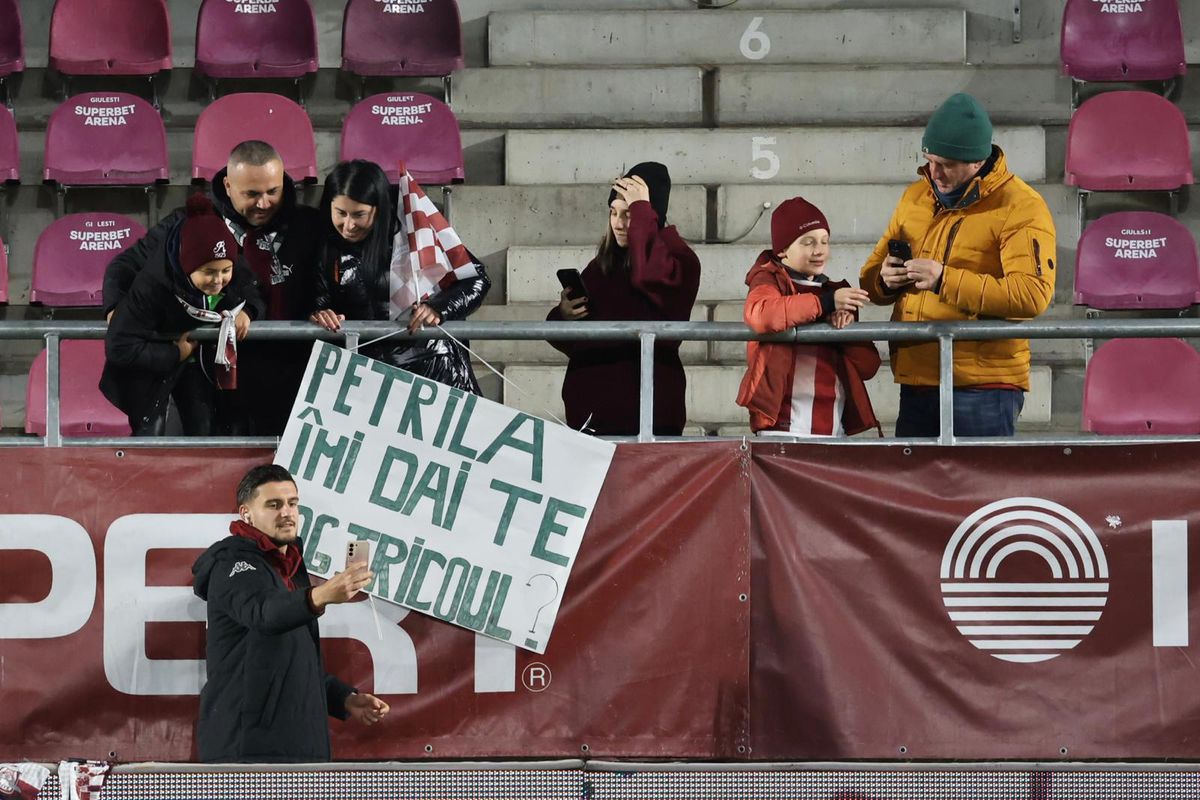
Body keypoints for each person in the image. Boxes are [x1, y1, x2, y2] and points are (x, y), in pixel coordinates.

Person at [859, 92, 1055, 437]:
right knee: (912, 488)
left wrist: (943, 280)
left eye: (946, 164)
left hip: (983, 385)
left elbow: (1031, 294)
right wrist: (884, 281)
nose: (933, 173)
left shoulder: (1021, 206)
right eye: (929, 159)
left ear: (977, 162)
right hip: (918, 377)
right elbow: (871, 275)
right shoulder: (914, 197)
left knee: (981, 488)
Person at [104, 140, 324, 436]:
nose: (263, 203)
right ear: (228, 185)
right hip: (211, 382)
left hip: (290, 377)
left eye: (273, 191)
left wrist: (326, 307)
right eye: (251, 193)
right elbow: (123, 266)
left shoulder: (307, 226)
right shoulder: (188, 225)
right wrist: (117, 310)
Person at [192, 464, 390, 763]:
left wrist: (344, 699)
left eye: (292, 503)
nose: (287, 512)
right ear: (246, 513)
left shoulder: (290, 564)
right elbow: (264, 613)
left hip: (300, 748)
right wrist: (321, 595)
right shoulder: (232, 564)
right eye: (274, 505)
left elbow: (293, 660)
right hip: (246, 749)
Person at [308, 160, 491, 393]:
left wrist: (438, 307)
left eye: (359, 214)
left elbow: (475, 278)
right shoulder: (325, 247)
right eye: (340, 213)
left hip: (435, 371)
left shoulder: (414, 234)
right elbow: (319, 297)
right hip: (368, 379)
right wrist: (321, 314)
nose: (348, 225)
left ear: (380, 208)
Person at [547, 162, 701, 436]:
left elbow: (649, 276)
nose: (618, 224)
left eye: (630, 213)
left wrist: (643, 208)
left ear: (651, 215)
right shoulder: (603, 263)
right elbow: (572, 339)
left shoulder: (680, 259)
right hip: (591, 421)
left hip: (649, 419)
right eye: (613, 212)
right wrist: (564, 315)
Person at [100, 195, 263, 436]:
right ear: (187, 266)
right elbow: (120, 348)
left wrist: (248, 311)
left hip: (201, 369)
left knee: (204, 433)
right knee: (149, 439)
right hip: (152, 372)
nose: (218, 280)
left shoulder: (228, 261)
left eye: (225, 271)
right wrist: (176, 352)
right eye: (208, 272)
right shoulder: (150, 288)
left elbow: (254, 289)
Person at [736, 197, 881, 437]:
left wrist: (844, 333)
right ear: (782, 250)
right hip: (780, 425)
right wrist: (824, 304)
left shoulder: (837, 295)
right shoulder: (768, 279)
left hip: (833, 427)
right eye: (808, 242)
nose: (819, 250)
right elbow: (762, 314)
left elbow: (868, 367)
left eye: (825, 241)